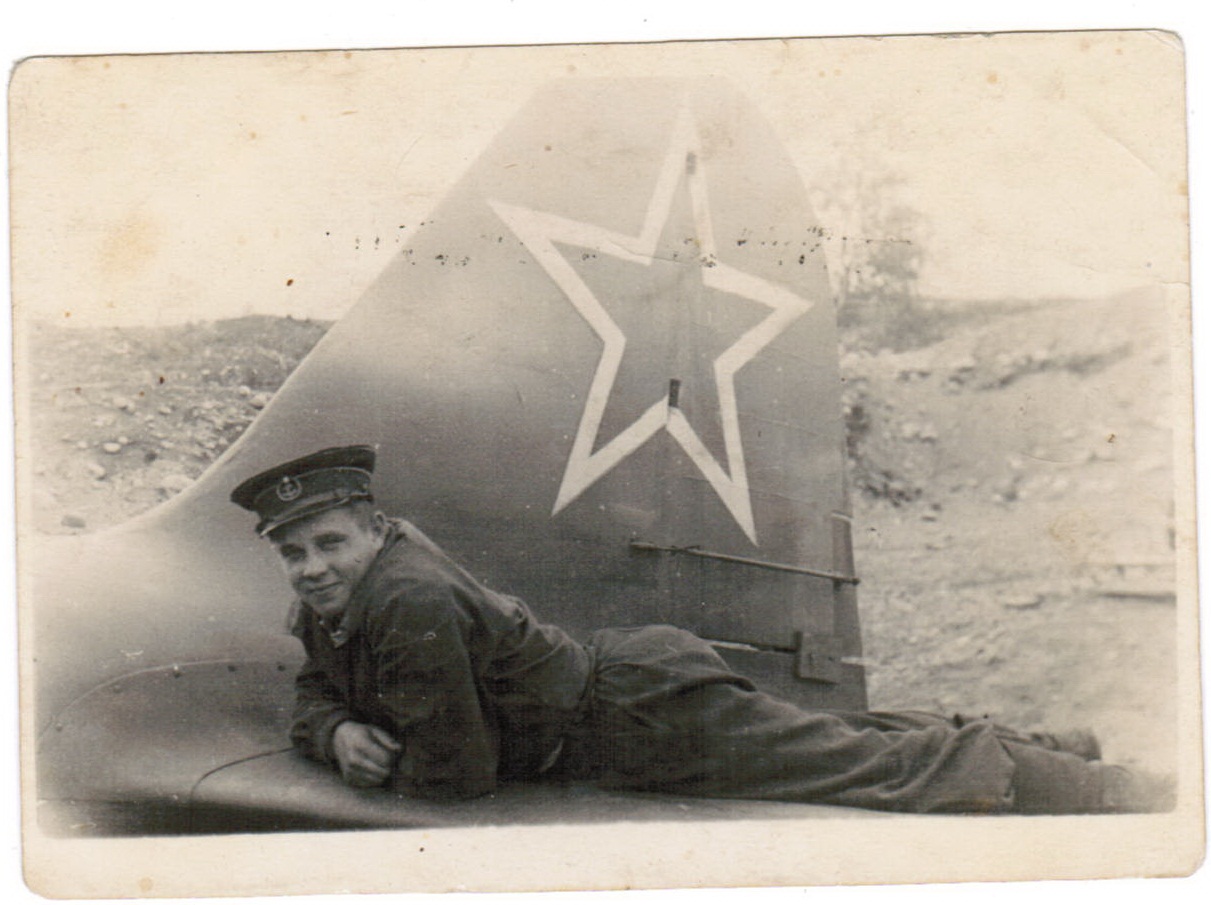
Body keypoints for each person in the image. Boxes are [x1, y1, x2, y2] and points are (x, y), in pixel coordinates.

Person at [231, 445, 1172, 814]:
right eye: (293, 550)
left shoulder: (404, 599)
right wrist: (335, 729)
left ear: (375, 530)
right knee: (837, 742)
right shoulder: (338, 595)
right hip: (634, 694)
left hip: (639, 716)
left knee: (863, 771)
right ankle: (1053, 744)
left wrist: (366, 756)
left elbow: (455, 774)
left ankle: (1112, 793)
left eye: (330, 542)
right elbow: (317, 686)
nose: (311, 565)